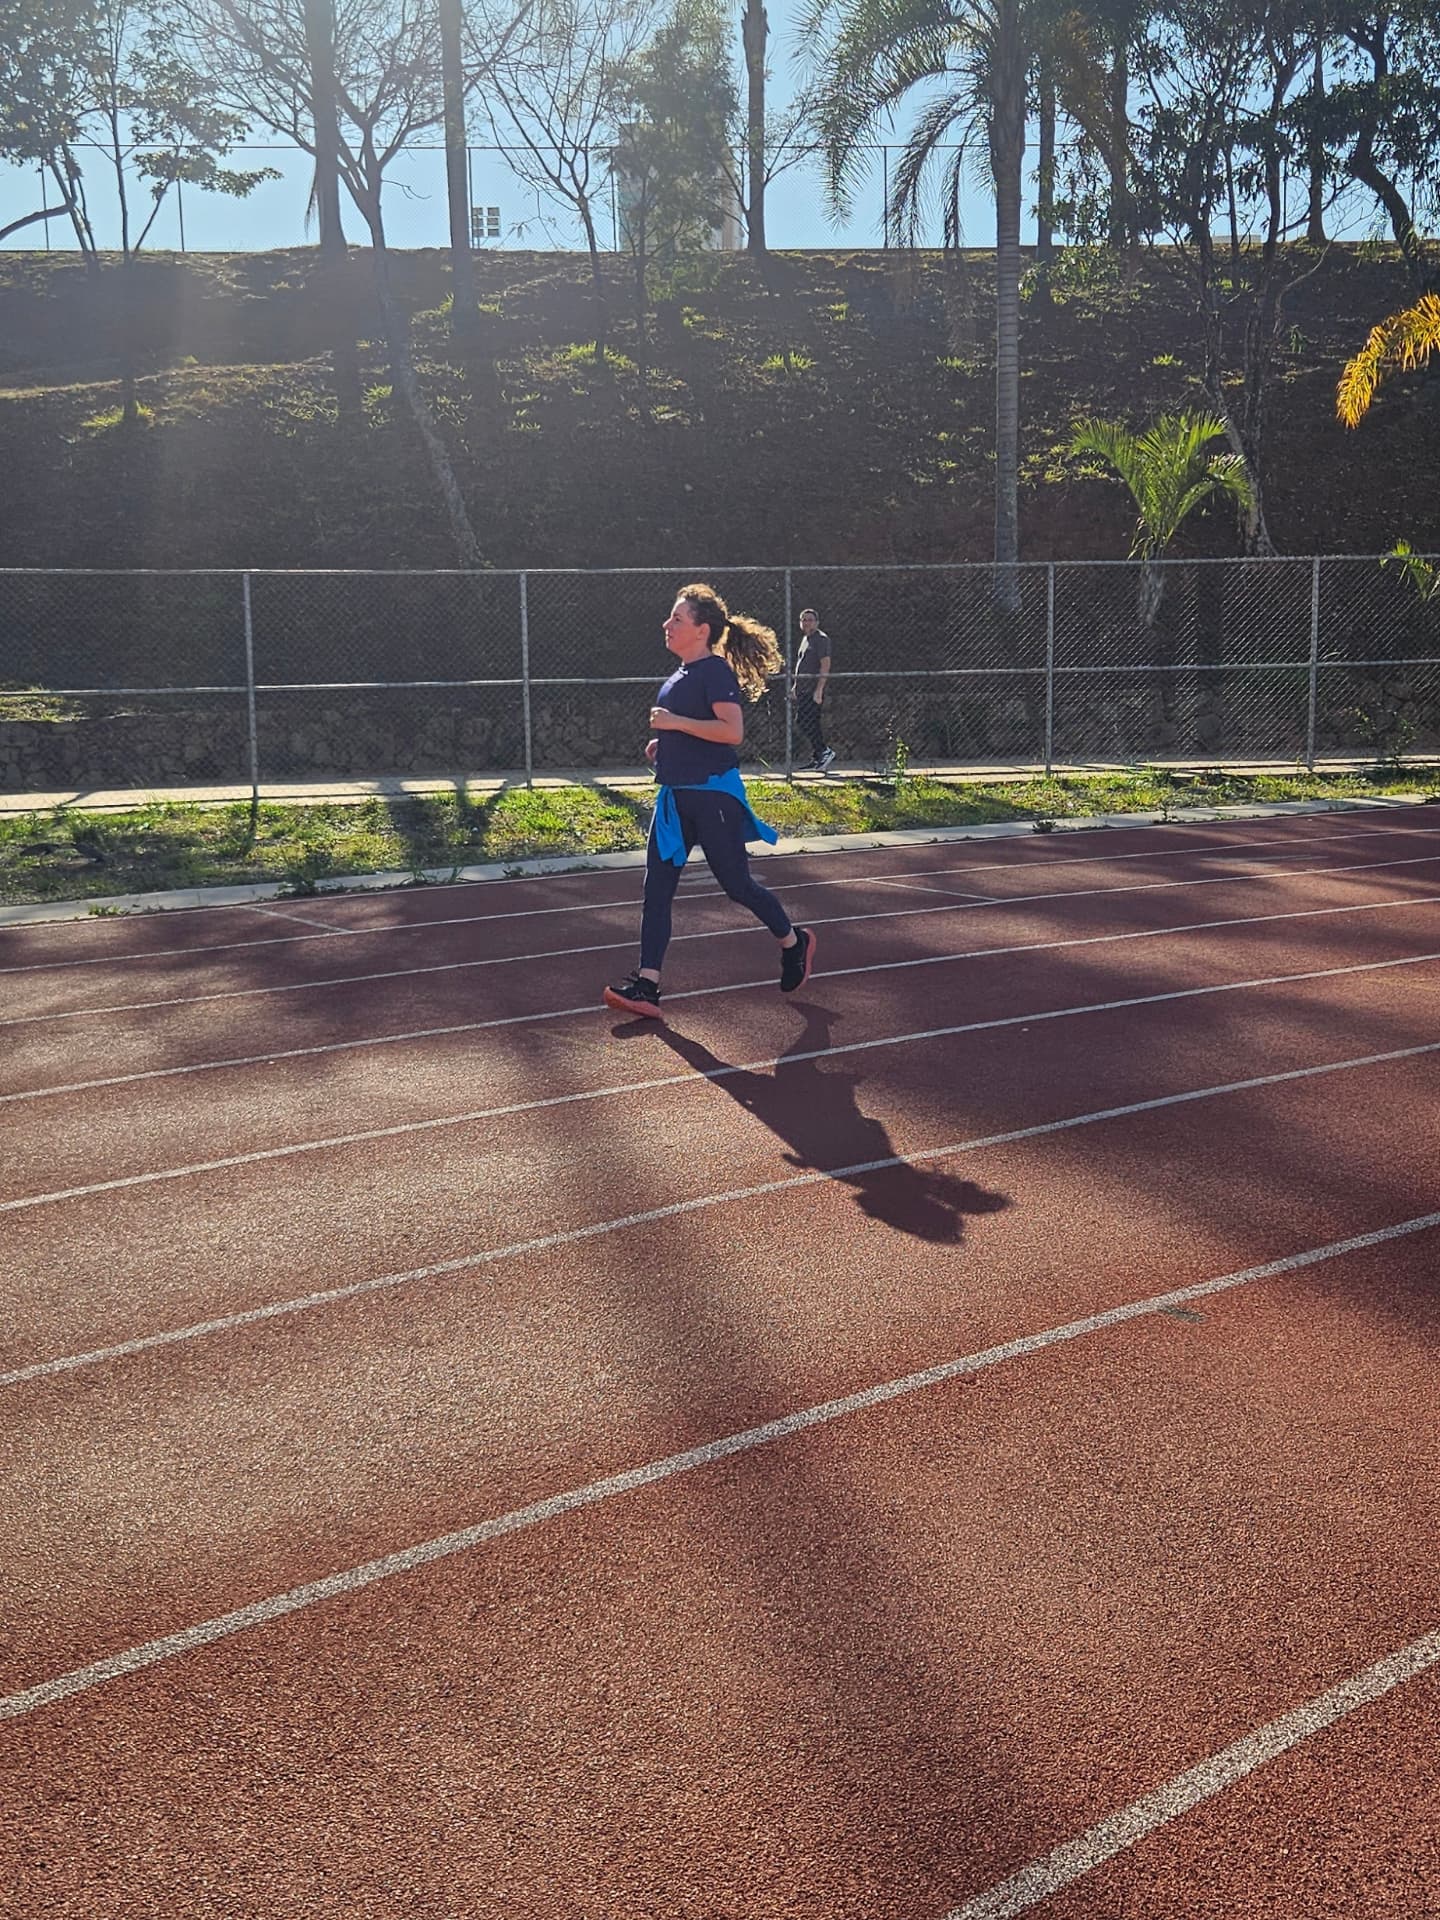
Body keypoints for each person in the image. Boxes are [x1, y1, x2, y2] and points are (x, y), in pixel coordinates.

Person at [603, 583, 817, 1020]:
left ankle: (794, 942)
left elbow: (731, 732)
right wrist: (664, 746)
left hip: (712, 798)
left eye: (677, 619)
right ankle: (648, 986)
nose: (667, 624)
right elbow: (691, 730)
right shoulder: (677, 677)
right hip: (674, 800)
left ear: (701, 630)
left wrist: (676, 723)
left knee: (737, 886)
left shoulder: (715, 671)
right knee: (656, 892)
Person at [790, 606, 835, 772]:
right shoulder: (805, 639)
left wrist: (819, 690)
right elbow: (801, 665)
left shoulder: (821, 639)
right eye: (804, 620)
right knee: (807, 722)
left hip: (812, 689)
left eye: (810, 620)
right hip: (802, 689)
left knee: (805, 721)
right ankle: (818, 757)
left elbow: (825, 664)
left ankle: (824, 751)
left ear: (817, 622)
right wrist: (795, 686)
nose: (806, 623)